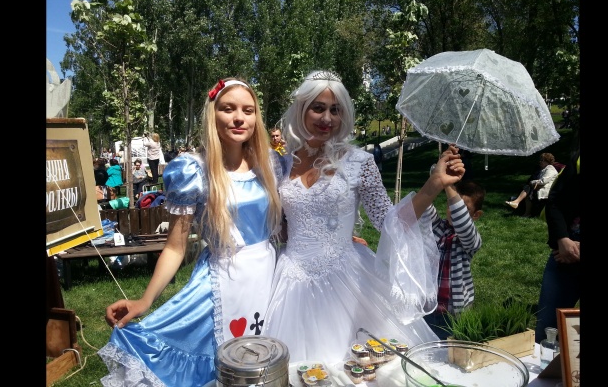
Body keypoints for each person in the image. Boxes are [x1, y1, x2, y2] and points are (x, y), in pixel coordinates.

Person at [262, 70, 465, 364]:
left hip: (349, 279)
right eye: (318, 108)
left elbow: (389, 222)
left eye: (335, 110)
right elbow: (277, 224)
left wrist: (433, 185)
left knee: (362, 367)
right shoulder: (279, 164)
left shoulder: (360, 162)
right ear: (302, 109)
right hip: (290, 282)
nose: (327, 118)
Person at [97, 78, 285, 387]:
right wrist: (146, 300)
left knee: (264, 362)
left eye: (248, 110)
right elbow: (175, 247)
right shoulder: (194, 170)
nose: (239, 118)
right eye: (228, 109)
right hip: (223, 279)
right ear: (213, 114)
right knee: (219, 367)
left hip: (269, 278)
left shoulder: (270, 164)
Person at [423, 179, 485, 339]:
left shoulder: (472, 239)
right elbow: (424, 205)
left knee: (448, 350)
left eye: (465, 208)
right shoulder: (438, 227)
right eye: (450, 205)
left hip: (453, 314)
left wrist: (448, 186)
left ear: (476, 215)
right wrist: (437, 178)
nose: (453, 211)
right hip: (428, 308)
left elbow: (462, 223)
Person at [534, 146, 580, 343]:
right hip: (564, 254)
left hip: (569, 252)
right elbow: (555, 202)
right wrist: (562, 239)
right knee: (547, 331)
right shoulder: (578, 161)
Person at [505, 152, 558, 217]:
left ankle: (518, 203)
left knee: (528, 188)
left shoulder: (550, 169)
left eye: (542, 160)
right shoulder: (544, 169)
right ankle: (519, 205)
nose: (540, 162)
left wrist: (532, 182)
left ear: (547, 161)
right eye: (540, 160)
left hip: (545, 191)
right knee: (528, 188)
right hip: (539, 188)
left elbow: (543, 181)